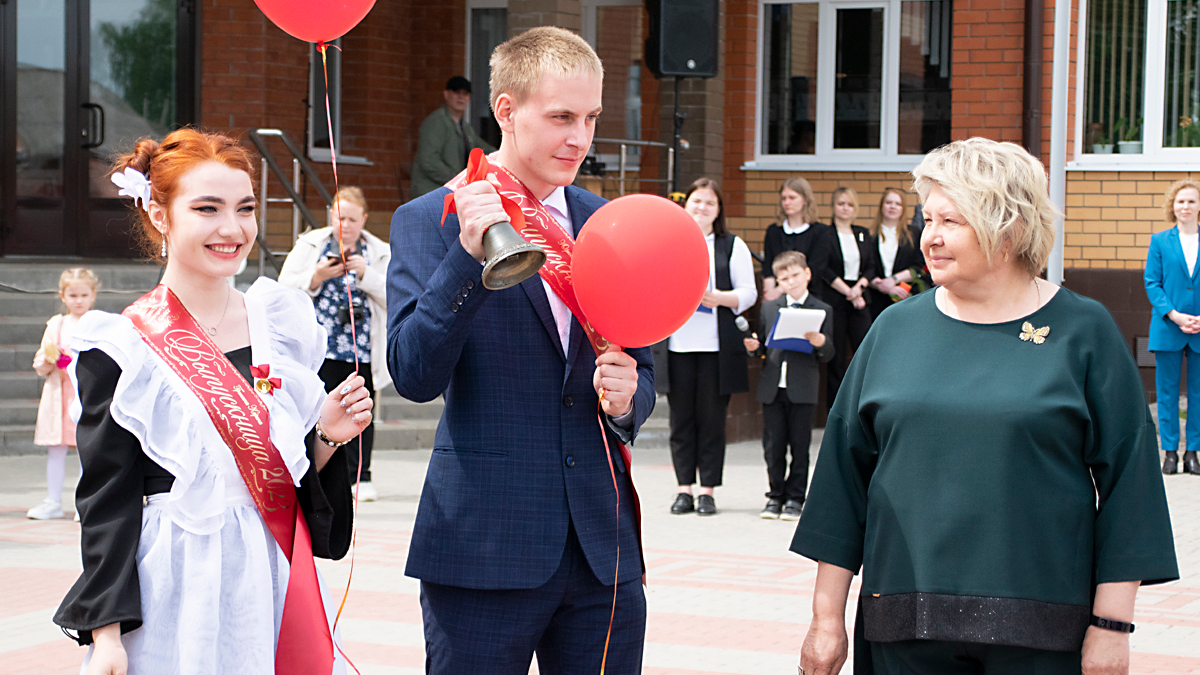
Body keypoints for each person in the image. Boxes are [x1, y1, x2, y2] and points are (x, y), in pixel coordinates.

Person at [794, 138, 1178, 675]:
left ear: (1010, 228)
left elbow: (1129, 487)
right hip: (904, 627)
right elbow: (842, 481)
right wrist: (826, 618)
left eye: (951, 221)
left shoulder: (1083, 332)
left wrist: (1112, 627)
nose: (931, 237)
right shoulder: (893, 329)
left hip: (1042, 634)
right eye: (928, 220)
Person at [53, 128, 374, 675]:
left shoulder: (279, 324)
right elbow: (108, 500)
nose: (233, 229)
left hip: (271, 572)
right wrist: (105, 636)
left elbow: (290, 480)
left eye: (245, 208)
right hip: (177, 582)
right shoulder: (122, 347)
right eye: (207, 208)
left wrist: (326, 435)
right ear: (160, 215)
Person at [386, 27, 654, 674]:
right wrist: (466, 260)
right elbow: (414, 372)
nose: (581, 138)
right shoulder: (432, 217)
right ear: (506, 111)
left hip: (601, 550)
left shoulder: (607, 221)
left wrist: (629, 398)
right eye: (561, 116)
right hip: (483, 544)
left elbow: (642, 371)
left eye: (591, 118)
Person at [279, 186, 391, 500]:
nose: (347, 225)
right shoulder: (312, 244)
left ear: (365, 219)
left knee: (360, 411)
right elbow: (284, 289)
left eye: (354, 219)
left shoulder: (378, 251)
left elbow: (396, 296)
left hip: (361, 347)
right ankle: (313, 471)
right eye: (341, 217)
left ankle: (361, 476)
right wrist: (316, 276)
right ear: (331, 215)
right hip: (320, 347)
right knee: (316, 408)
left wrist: (365, 274)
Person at [656, 178, 755, 517]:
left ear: (718, 211)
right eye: (697, 201)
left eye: (710, 203)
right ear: (686, 205)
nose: (702, 208)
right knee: (681, 421)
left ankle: (708, 491)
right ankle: (684, 489)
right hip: (678, 345)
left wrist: (719, 298)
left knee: (712, 421)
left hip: (717, 348)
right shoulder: (669, 241)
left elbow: (749, 293)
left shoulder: (732, 245)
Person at [742, 251, 833, 521]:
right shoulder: (770, 307)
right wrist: (752, 348)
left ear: (807, 274)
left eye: (795, 275)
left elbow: (829, 353)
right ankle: (774, 496)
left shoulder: (823, 309)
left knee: (800, 444)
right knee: (773, 445)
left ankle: (795, 498)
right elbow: (762, 348)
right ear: (778, 281)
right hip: (773, 387)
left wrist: (820, 342)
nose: (790, 282)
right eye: (784, 278)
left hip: (803, 387)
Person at [27, 267, 98, 520]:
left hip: (86, 395)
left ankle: (85, 501)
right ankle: (53, 501)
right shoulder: (56, 325)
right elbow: (39, 363)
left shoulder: (98, 324)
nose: (78, 301)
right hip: (59, 396)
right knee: (56, 450)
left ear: (93, 295)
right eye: (73, 295)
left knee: (86, 450)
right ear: (63, 296)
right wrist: (51, 358)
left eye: (83, 295)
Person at [1145, 178, 1200, 476]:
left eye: (1191, 201)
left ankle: (1192, 453)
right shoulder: (1160, 241)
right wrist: (1175, 315)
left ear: (1199, 206)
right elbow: (1152, 283)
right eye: (1180, 201)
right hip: (1168, 328)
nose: (1185, 206)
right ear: (1173, 206)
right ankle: (1170, 453)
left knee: (1198, 395)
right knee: (1166, 394)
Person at [822, 187, 875, 409]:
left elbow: (872, 266)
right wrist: (848, 292)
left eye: (850, 204)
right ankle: (836, 411)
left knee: (865, 355)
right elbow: (823, 268)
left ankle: (862, 409)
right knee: (836, 359)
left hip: (860, 300)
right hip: (835, 301)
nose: (845, 208)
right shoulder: (825, 234)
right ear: (833, 206)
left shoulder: (862, 233)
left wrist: (859, 288)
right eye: (841, 203)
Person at [410, 76, 497, 198]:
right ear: (446, 95)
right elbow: (428, 160)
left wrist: (503, 155)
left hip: (449, 193)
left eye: (465, 93)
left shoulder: (464, 127)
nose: (461, 97)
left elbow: (484, 149)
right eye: (456, 92)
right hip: (430, 194)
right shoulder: (436, 122)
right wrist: (458, 179)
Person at [761, 177, 833, 303]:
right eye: (784, 198)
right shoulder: (773, 231)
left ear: (805, 200)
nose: (787, 202)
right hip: (779, 299)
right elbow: (768, 266)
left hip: (810, 297)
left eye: (792, 198)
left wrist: (779, 290)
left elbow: (814, 269)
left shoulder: (821, 232)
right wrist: (770, 292)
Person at [865, 188, 926, 320]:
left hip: (905, 295)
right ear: (882, 206)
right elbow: (866, 268)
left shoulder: (913, 233)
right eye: (888, 202)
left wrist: (893, 281)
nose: (893, 206)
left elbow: (918, 266)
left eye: (898, 204)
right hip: (876, 298)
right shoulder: (870, 236)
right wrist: (883, 286)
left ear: (903, 208)